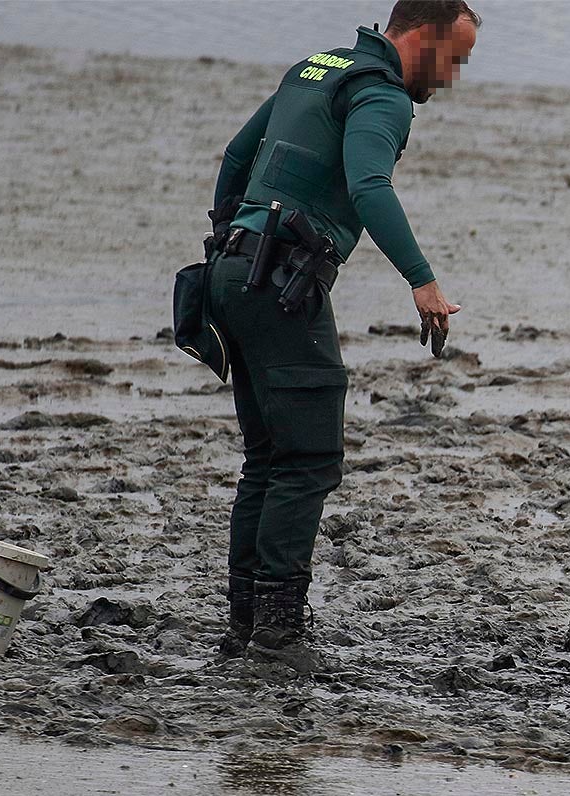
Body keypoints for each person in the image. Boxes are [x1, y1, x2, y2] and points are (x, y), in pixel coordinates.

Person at [203, 1, 480, 668]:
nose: (452, 78)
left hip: (231, 274)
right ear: (421, 39)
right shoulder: (383, 97)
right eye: (454, 60)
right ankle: (275, 639)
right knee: (307, 461)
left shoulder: (315, 68)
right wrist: (422, 280)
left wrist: (226, 238)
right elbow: (370, 186)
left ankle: (245, 628)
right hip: (282, 286)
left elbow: (237, 157)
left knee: (268, 459)